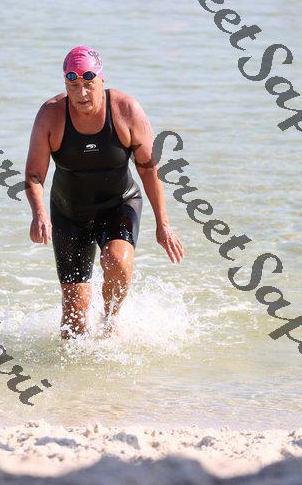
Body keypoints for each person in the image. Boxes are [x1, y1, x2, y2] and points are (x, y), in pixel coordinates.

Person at [25, 46, 184, 339]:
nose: (81, 93)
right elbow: (34, 175)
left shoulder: (125, 110)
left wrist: (163, 224)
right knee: (73, 322)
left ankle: (111, 320)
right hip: (69, 214)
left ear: (101, 80)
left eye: (88, 84)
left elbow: (148, 169)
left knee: (118, 262)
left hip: (118, 205)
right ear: (65, 84)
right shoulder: (51, 115)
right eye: (73, 85)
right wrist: (39, 213)